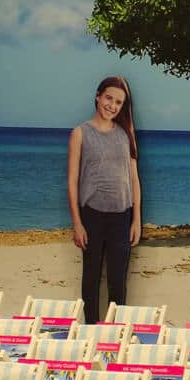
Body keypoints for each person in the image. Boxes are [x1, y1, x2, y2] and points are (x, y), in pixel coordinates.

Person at [67, 76, 141, 323]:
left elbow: (134, 180)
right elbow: (72, 181)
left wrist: (136, 220)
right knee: (90, 279)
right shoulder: (80, 133)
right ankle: (90, 331)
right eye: (109, 98)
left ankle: (115, 335)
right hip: (92, 216)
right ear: (98, 96)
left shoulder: (125, 134)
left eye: (119, 102)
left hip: (122, 216)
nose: (112, 105)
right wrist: (77, 223)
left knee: (118, 283)